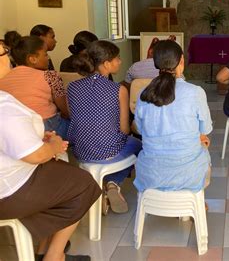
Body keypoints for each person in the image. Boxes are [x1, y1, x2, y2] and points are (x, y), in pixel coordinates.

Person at [0, 41, 100, 261]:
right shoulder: (46, 77)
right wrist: (53, 145)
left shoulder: (6, 87)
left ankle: (44, 247)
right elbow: (64, 113)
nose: (7, 54)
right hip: (10, 188)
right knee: (84, 185)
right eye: (2, 51)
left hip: (14, 167)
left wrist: (36, 138)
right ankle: (54, 255)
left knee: (60, 170)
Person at [67, 40, 141, 214]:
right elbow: (124, 129)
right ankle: (113, 182)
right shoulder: (118, 89)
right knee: (139, 146)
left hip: (81, 151)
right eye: (117, 58)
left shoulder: (72, 87)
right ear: (106, 64)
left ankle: (104, 187)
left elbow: (76, 118)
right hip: (108, 150)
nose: (120, 62)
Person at [134, 40, 212, 193]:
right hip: (189, 177)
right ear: (181, 60)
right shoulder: (195, 92)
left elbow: (141, 130)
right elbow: (205, 129)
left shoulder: (143, 93)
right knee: (204, 143)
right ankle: (195, 201)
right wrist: (199, 137)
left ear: (155, 63)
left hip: (150, 175)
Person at [0, 36, 70, 139]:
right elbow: (63, 107)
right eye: (45, 54)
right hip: (46, 124)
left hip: (15, 127)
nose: (48, 58)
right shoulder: (50, 76)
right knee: (76, 125)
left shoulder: (4, 76)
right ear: (32, 59)